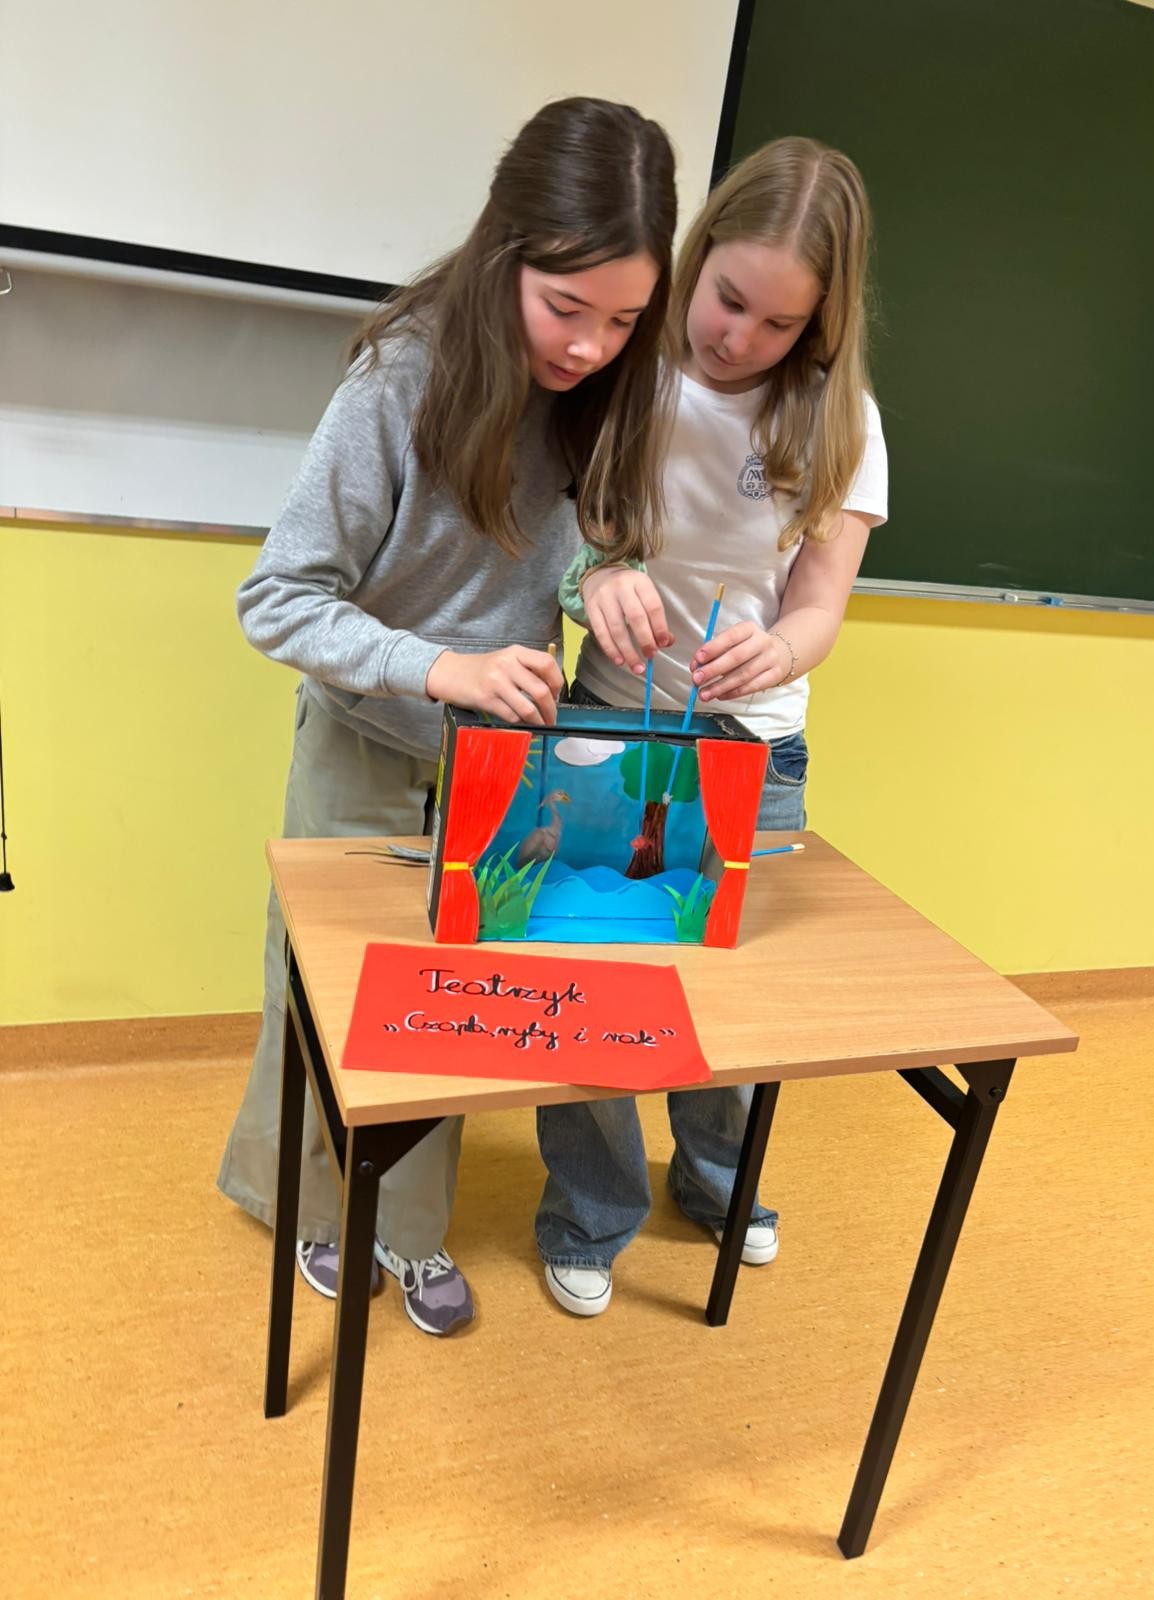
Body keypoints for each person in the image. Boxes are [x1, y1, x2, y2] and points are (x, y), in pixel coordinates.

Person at [217, 97, 677, 1336]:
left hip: (492, 762)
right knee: (327, 993)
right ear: (505, 252)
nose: (590, 346)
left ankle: (409, 1228)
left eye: (624, 321)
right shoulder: (402, 379)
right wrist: (441, 669)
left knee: (453, 995)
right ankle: (317, 1209)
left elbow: (573, 541)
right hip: (368, 741)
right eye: (566, 307)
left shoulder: (603, 389)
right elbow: (277, 598)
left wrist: (604, 579)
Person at [536, 137, 889, 1317]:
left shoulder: (842, 421)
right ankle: (589, 1212)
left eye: (780, 325)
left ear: (822, 326)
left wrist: (783, 648)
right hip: (610, 718)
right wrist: (600, 573)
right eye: (728, 298)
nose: (739, 338)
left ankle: (720, 1178)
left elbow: (821, 603)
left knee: (718, 991)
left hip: (753, 747)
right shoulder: (624, 370)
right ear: (697, 257)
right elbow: (563, 534)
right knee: (595, 978)